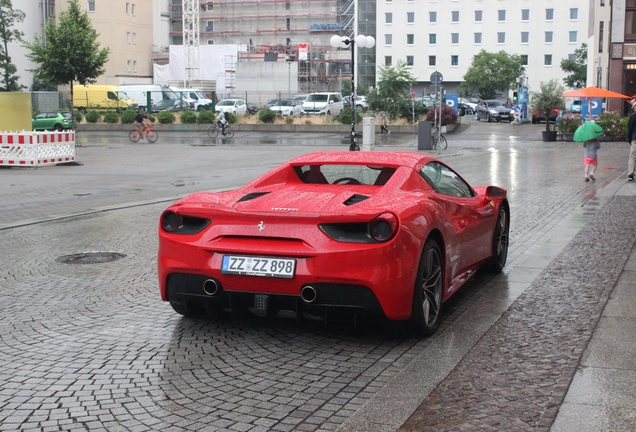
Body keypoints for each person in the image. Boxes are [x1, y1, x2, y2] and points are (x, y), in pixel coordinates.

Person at [626, 98, 636, 181]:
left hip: (635, 138)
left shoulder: (633, 116)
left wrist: (629, 139)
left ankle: (630, 173)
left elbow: (630, 128)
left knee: (633, 156)